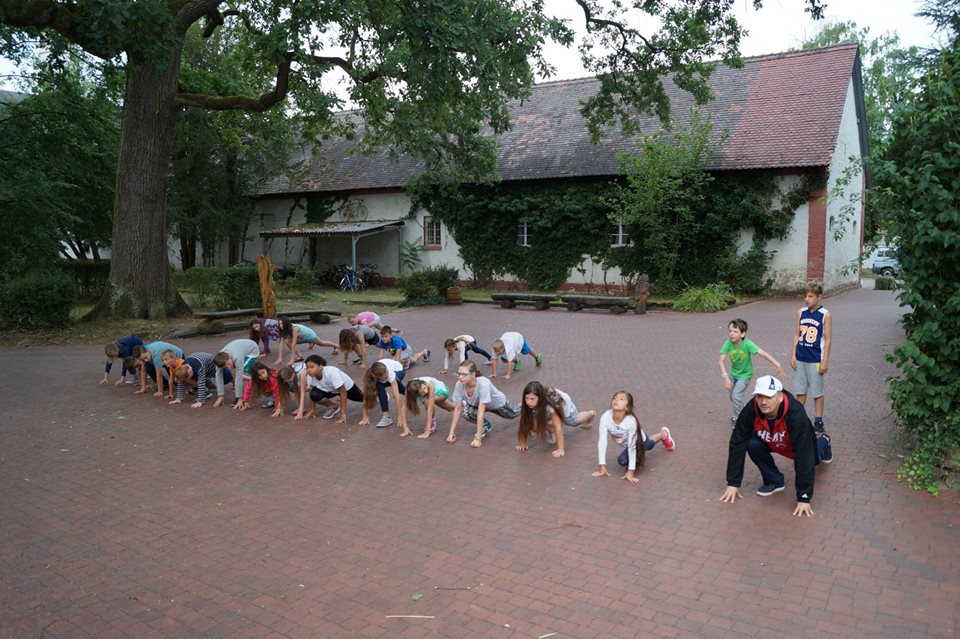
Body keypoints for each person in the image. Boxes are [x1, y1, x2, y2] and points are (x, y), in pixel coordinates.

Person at [720, 375, 833, 517]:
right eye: (759, 396)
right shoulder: (752, 408)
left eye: (769, 397)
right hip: (771, 439)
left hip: (797, 445)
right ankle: (775, 480)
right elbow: (738, 441)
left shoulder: (796, 414)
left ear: (780, 396)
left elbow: (804, 455)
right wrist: (733, 483)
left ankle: (824, 441)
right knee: (750, 443)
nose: (763, 402)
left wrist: (804, 497)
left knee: (814, 460)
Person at [592, 391, 675, 483]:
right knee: (649, 444)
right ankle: (661, 436)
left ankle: (663, 435)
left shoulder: (630, 421)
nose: (616, 400)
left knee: (627, 458)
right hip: (629, 444)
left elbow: (632, 446)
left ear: (627, 407)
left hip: (639, 441)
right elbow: (602, 442)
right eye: (615, 398)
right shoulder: (605, 417)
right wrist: (602, 466)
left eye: (621, 399)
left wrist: (631, 471)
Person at [719, 318, 785, 424]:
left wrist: (777, 363)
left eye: (735, 331)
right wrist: (725, 378)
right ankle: (748, 412)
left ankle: (740, 419)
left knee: (736, 397)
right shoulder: (728, 343)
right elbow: (721, 361)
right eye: (730, 331)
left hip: (745, 375)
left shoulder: (747, 344)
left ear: (742, 334)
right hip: (733, 374)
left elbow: (762, 353)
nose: (732, 334)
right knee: (733, 397)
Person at [446, 360, 521, 448]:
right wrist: (451, 433)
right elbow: (457, 409)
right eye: (459, 374)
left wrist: (478, 439)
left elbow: (480, 412)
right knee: (466, 413)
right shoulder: (459, 385)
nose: (460, 377)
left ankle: (524, 405)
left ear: (473, 374)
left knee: (513, 414)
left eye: (464, 374)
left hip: (497, 404)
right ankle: (486, 425)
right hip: (477, 404)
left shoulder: (483, 384)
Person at [790, 282, 832, 431]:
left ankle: (818, 420)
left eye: (810, 296)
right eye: (805, 296)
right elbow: (797, 334)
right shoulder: (800, 312)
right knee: (800, 391)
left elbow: (828, 340)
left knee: (817, 391)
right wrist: (793, 354)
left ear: (819, 297)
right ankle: (798, 419)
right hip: (801, 356)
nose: (806, 299)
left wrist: (825, 361)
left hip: (815, 359)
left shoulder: (825, 315)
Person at [517, 381, 596, 458]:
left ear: (540, 398)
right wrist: (522, 443)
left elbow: (558, 427)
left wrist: (561, 449)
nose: (528, 401)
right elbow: (524, 421)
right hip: (544, 409)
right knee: (532, 424)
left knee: (573, 422)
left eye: (532, 399)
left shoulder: (551, 404)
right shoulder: (527, 404)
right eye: (526, 398)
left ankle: (591, 414)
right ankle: (551, 430)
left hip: (562, 406)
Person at [291, 355, 363, 423]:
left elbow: (343, 392)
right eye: (307, 367)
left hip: (347, 388)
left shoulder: (331, 372)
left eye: (312, 367)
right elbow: (312, 390)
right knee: (314, 394)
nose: (309, 370)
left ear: (320, 366)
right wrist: (312, 410)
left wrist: (343, 415)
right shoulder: (310, 376)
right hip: (330, 390)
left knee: (364, 399)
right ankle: (334, 407)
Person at [212, 339, 260, 407]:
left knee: (239, 372)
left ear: (229, 357)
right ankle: (250, 380)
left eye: (228, 364)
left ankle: (243, 395)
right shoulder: (219, 360)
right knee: (235, 371)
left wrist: (240, 398)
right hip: (239, 348)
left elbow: (238, 377)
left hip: (252, 350)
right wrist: (220, 396)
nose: (228, 367)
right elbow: (218, 376)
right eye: (226, 367)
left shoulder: (237, 357)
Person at [360, 359, 406, 428]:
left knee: (400, 388)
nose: (387, 375)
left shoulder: (390, 374)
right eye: (385, 376)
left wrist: (400, 416)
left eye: (387, 374)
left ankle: (412, 392)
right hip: (381, 378)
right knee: (379, 386)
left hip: (399, 371)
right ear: (378, 377)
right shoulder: (371, 375)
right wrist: (365, 416)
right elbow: (366, 396)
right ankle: (386, 417)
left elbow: (396, 396)